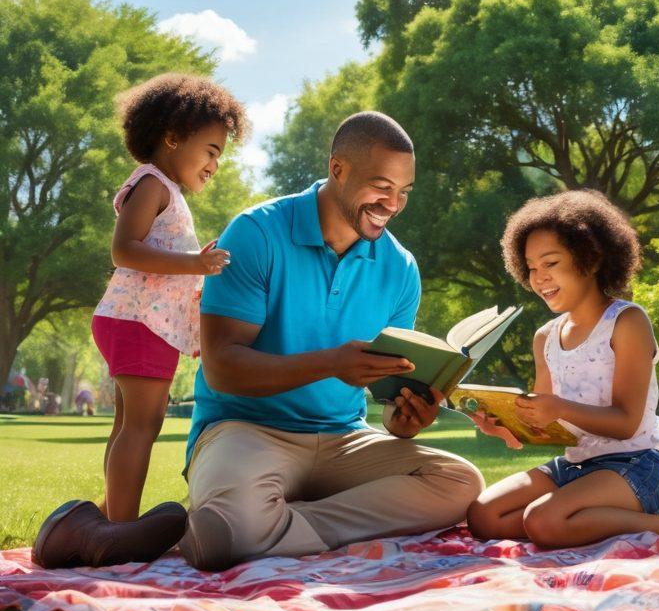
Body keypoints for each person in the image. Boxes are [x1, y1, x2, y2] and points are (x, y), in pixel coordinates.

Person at [179, 111, 484, 571]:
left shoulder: (401, 268)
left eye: (403, 192)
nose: (393, 204)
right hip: (245, 429)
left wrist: (405, 421)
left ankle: (272, 526)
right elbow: (222, 368)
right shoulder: (256, 233)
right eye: (381, 186)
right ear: (337, 169)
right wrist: (328, 364)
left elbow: (389, 410)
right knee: (237, 514)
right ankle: (254, 525)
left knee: (459, 482)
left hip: (343, 439)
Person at [32, 73, 249, 569]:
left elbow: (160, 253)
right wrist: (195, 264)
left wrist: (196, 259)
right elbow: (124, 249)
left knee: (128, 425)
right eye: (211, 150)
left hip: (139, 322)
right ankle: (119, 534)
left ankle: (101, 519)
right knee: (143, 424)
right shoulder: (153, 184)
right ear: (173, 137)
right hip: (137, 322)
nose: (216, 164)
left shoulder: (164, 189)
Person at [467, 191, 659, 548]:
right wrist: (508, 428)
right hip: (576, 466)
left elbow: (627, 422)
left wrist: (560, 408)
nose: (539, 278)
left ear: (592, 257)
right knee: (482, 516)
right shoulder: (546, 338)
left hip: (637, 464)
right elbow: (550, 425)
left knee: (542, 522)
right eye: (531, 267)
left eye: (550, 263)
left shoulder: (627, 321)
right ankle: (621, 516)